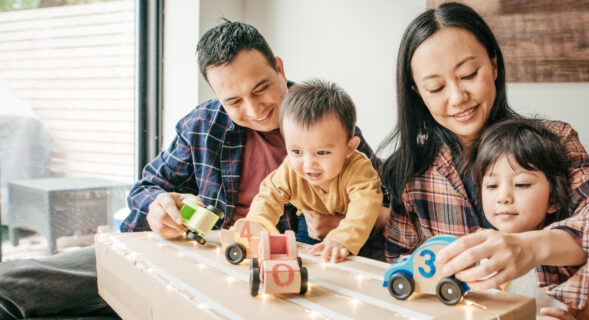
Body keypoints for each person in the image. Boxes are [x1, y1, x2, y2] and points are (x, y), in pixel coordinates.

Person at [0, 21, 384, 319]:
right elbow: (146, 188)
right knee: (15, 283)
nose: (253, 109)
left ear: (280, 68)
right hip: (201, 255)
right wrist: (159, 206)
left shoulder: (328, 124)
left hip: (280, 277)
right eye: (233, 100)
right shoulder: (203, 125)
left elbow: (391, 211)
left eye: (262, 87)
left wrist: (345, 225)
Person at [379, 2, 589, 319]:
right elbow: (400, 264)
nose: (458, 97)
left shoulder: (553, 141)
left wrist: (529, 248)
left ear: (494, 66)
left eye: (469, 74)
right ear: (417, 92)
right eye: (436, 87)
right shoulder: (411, 169)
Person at [470, 119, 589, 319]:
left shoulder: (563, 259)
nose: (503, 197)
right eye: (492, 186)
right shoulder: (474, 247)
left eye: (521, 184)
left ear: (553, 199)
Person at [247, 79, 382, 263]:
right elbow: (269, 195)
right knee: (304, 261)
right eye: (296, 151)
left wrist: (341, 239)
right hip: (309, 229)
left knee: (352, 264)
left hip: (356, 233)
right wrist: (257, 225)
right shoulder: (290, 170)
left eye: (322, 152)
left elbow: (365, 205)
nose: (309, 164)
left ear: (349, 148)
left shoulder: (358, 168)